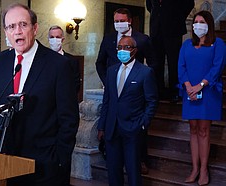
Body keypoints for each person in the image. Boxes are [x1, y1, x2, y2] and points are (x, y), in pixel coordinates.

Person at [0, 3, 79, 186]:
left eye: (23, 24)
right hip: (5, 162)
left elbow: (69, 119)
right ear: (6, 32)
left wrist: (59, 158)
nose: (17, 31)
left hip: (44, 165)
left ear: (35, 28)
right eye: (11, 27)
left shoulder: (58, 65)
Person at [95, 7, 156, 174]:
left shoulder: (142, 39)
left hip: (135, 96)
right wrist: (106, 82)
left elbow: (153, 63)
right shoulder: (108, 40)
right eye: (116, 21)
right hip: (113, 93)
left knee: (135, 153)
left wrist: (144, 80)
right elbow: (99, 62)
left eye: (122, 20)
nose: (119, 24)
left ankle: (142, 160)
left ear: (129, 21)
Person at [178, 10, 226, 185]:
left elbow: (217, 66)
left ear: (209, 24)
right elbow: (181, 66)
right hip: (189, 91)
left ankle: (204, 169)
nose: (198, 24)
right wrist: (188, 85)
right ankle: (195, 168)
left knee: (204, 130)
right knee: (193, 129)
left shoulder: (218, 43)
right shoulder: (186, 45)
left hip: (208, 91)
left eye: (202, 22)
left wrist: (201, 85)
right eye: (195, 22)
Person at [146, 0, 194, 102]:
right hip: (156, 28)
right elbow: (149, 5)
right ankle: (159, 91)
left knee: (174, 61)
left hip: (173, 28)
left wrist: (177, 16)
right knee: (156, 62)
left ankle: (175, 91)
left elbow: (189, 4)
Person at [48, 25, 80, 94]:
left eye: (57, 37)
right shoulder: (42, 60)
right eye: (52, 37)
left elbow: (76, 85)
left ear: (62, 39)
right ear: (48, 39)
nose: (54, 40)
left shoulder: (72, 61)